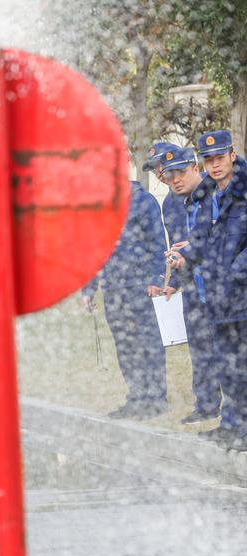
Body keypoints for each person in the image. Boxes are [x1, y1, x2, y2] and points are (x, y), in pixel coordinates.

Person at [169, 130, 247, 448]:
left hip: (240, 292)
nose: (215, 165)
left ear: (232, 155)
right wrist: (184, 254)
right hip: (218, 295)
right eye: (209, 160)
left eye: (219, 158)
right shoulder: (212, 194)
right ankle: (231, 425)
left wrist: (234, 273)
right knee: (226, 362)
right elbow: (202, 233)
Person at [147, 146, 222, 424]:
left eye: (180, 172)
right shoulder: (170, 203)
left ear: (194, 167)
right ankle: (207, 405)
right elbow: (179, 245)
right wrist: (175, 281)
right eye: (168, 175)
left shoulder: (217, 192)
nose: (173, 179)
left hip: (221, 285)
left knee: (230, 350)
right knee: (200, 349)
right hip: (193, 285)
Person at [82, 180, 168, 419]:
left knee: (147, 343)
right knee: (125, 346)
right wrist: (88, 289)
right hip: (113, 288)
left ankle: (156, 398)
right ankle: (137, 396)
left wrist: (156, 277)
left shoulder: (142, 200)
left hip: (139, 286)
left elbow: (157, 242)